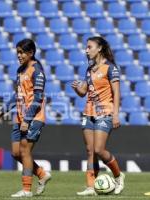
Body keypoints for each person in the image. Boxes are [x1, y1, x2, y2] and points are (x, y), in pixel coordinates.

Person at [0, 39, 51, 198]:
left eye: (22, 52)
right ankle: (41, 173)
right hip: (19, 118)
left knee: (25, 151)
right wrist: (3, 110)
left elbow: (38, 98)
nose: (18, 55)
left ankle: (26, 190)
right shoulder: (20, 70)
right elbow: (17, 94)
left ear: (31, 53)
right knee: (15, 153)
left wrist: (27, 119)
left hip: (33, 118)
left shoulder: (37, 71)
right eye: (17, 52)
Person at [72, 36, 125, 196]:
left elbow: (116, 92)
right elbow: (84, 92)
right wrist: (77, 89)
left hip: (105, 112)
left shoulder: (110, 68)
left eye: (89, 47)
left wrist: (115, 114)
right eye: (86, 47)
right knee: (90, 151)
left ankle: (118, 176)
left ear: (99, 48)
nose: (86, 50)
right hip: (88, 113)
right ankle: (90, 187)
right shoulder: (89, 69)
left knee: (99, 149)